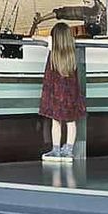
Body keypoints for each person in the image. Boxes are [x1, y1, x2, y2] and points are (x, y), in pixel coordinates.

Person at [39, 21, 86, 162]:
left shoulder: (53, 50)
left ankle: (56, 149)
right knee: (71, 122)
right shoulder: (71, 52)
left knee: (56, 122)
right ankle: (68, 150)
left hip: (55, 93)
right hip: (71, 93)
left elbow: (43, 39)